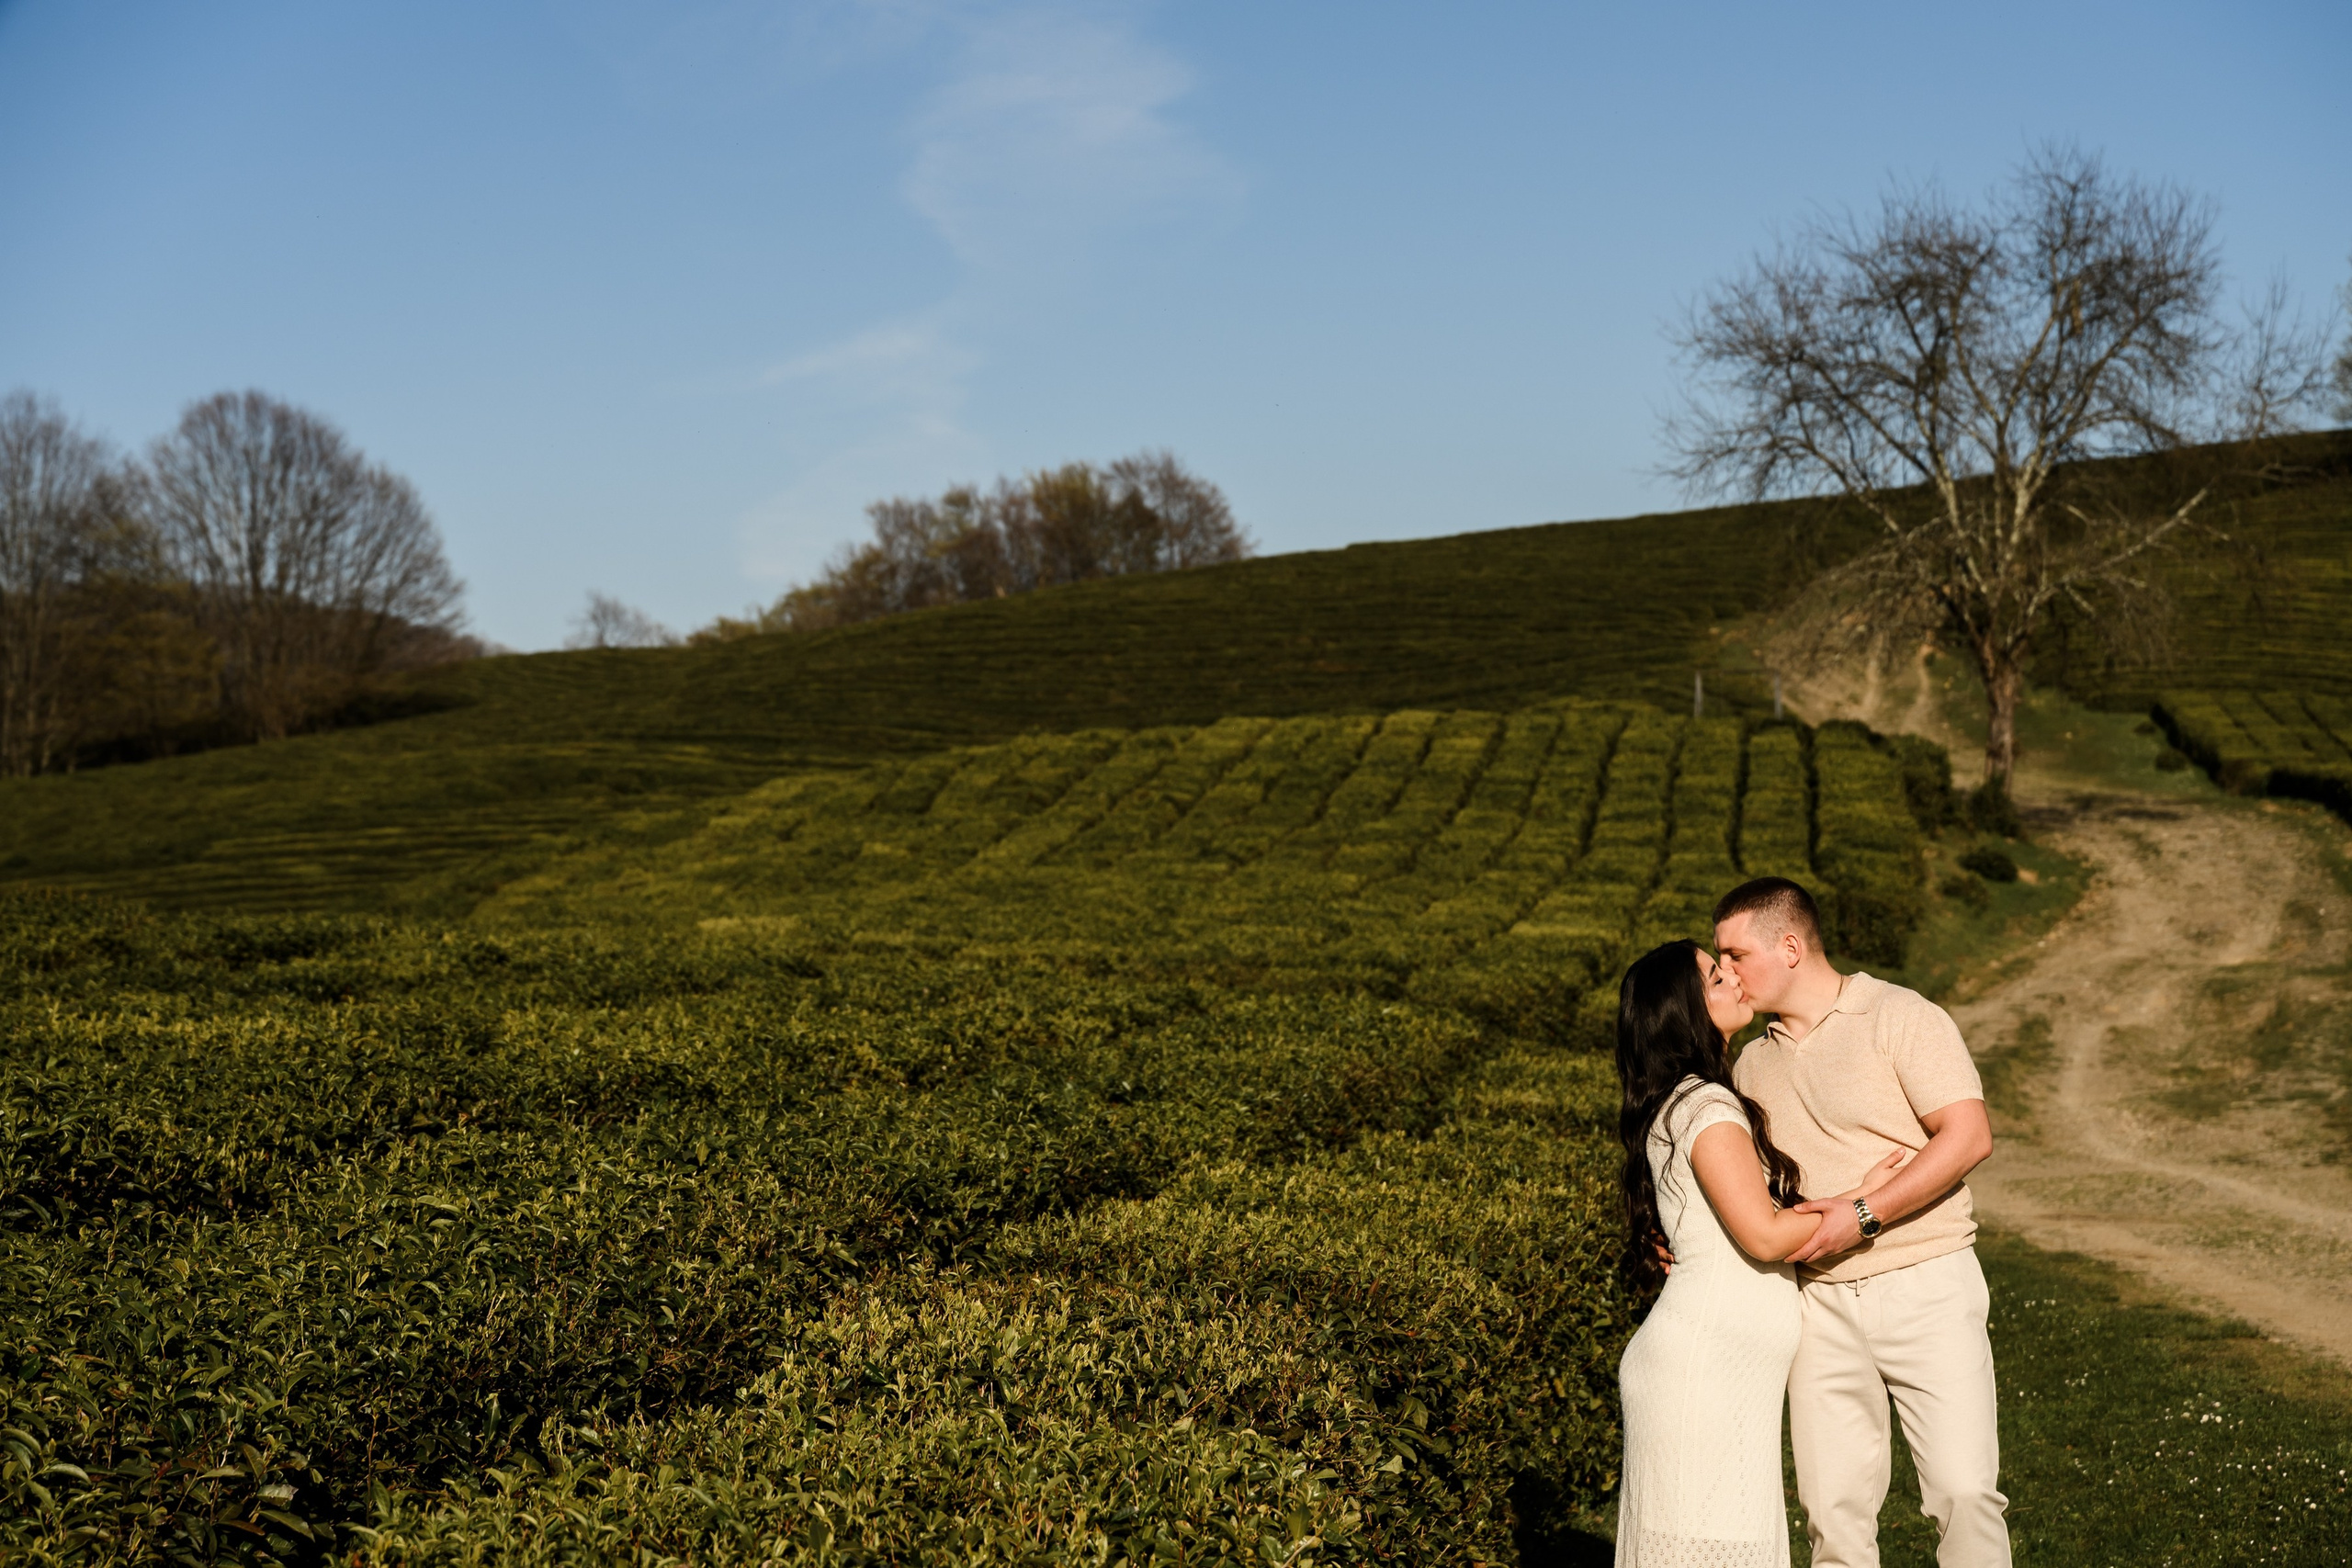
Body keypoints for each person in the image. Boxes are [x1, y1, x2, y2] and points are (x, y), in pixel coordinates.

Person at [1713, 876, 2008, 1568]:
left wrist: (1865, 1212)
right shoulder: (1749, 1066)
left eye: (1734, 954)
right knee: (1832, 1517)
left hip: (1928, 1283)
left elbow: (1968, 1136)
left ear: (1789, 945)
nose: (1725, 971)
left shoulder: (1902, 1015)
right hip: (1817, 1304)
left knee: (1965, 1493)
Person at [1612, 938, 1904, 1568]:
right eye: (1716, 978)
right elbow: (1766, 1236)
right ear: (1684, 1009)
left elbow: (1755, 1222)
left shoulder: (1688, 1100)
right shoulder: (1707, 1105)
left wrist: (1856, 1189)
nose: (1735, 980)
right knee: (1710, 1548)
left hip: (1713, 1367)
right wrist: (1863, 1206)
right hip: (1704, 1372)